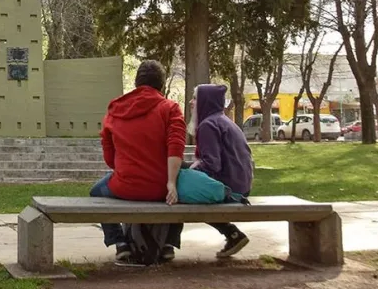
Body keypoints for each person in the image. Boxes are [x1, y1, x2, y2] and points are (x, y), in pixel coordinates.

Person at [91, 60, 187, 264]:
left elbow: (109, 159)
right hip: (161, 187)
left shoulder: (115, 110)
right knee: (184, 186)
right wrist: (171, 182)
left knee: (96, 192)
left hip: (124, 186)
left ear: (136, 83)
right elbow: (176, 146)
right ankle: (168, 244)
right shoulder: (170, 108)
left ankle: (119, 243)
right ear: (161, 84)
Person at [189, 84, 255, 258]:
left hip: (231, 189)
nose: (190, 102)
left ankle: (232, 233)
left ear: (205, 101)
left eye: (195, 98)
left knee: (184, 192)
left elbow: (212, 165)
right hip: (241, 184)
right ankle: (232, 234)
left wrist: (187, 170)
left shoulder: (208, 125)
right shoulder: (222, 120)